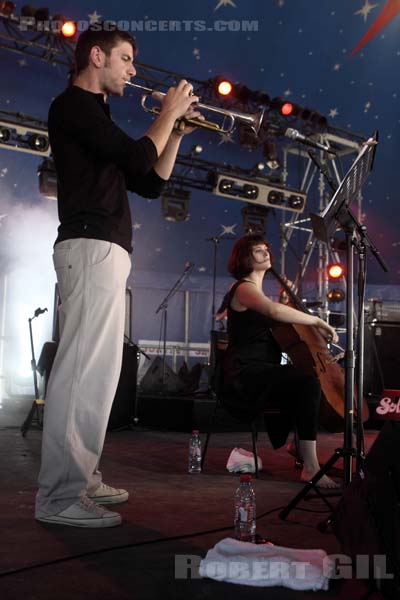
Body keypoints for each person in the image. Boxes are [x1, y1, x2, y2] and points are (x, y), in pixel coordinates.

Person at [35, 24, 202, 527]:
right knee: (82, 371)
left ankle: (81, 479)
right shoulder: (73, 106)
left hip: (105, 249)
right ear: (96, 56)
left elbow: (148, 181)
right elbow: (135, 156)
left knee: (100, 376)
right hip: (90, 246)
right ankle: (59, 497)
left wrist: (172, 133)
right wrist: (169, 111)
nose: (132, 70)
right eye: (126, 59)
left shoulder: (98, 115)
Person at [220, 234, 339, 488]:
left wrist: (286, 303)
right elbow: (273, 312)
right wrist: (317, 320)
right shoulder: (243, 288)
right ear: (244, 258)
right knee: (307, 383)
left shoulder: (257, 293)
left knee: (303, 380)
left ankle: (298, 446)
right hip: (243, 374)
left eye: (266, 249)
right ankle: (310, 467)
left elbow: (274, 316)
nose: (266, 253)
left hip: (261, 370)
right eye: (258, 251)